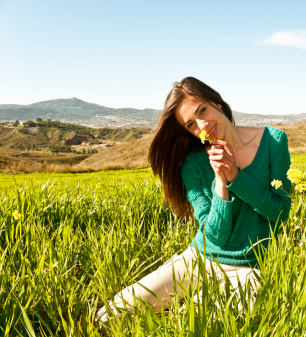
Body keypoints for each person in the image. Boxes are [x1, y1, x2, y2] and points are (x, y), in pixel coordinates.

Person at [96, 77, 292, 325]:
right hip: (198, 259)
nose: (203, 125)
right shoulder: (193, 163)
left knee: (195, 327)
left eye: (202, 110)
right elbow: (215, 237)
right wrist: (221, 180)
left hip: (250, 268)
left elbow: (281, 212)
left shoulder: (273, 141)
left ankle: (185, 308)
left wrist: (236, 176)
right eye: (191, 124)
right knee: (107, 317)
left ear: (216, 102)